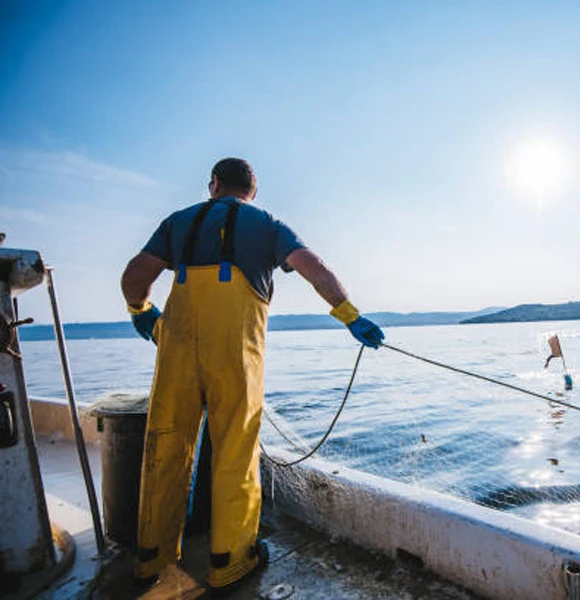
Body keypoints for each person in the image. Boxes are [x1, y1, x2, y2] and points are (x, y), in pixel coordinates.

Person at [120, 157, 384, 594]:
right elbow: (312, 265)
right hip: (235, 352)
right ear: (252, 191)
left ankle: (151, 558)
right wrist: (350, 316)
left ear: (214, 185)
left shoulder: (178, 222)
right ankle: (230, 561)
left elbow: (134, 276)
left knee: (165, 444)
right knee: (235, 449)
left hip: (177, 347)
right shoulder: (266, 223)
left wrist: (141, 311)